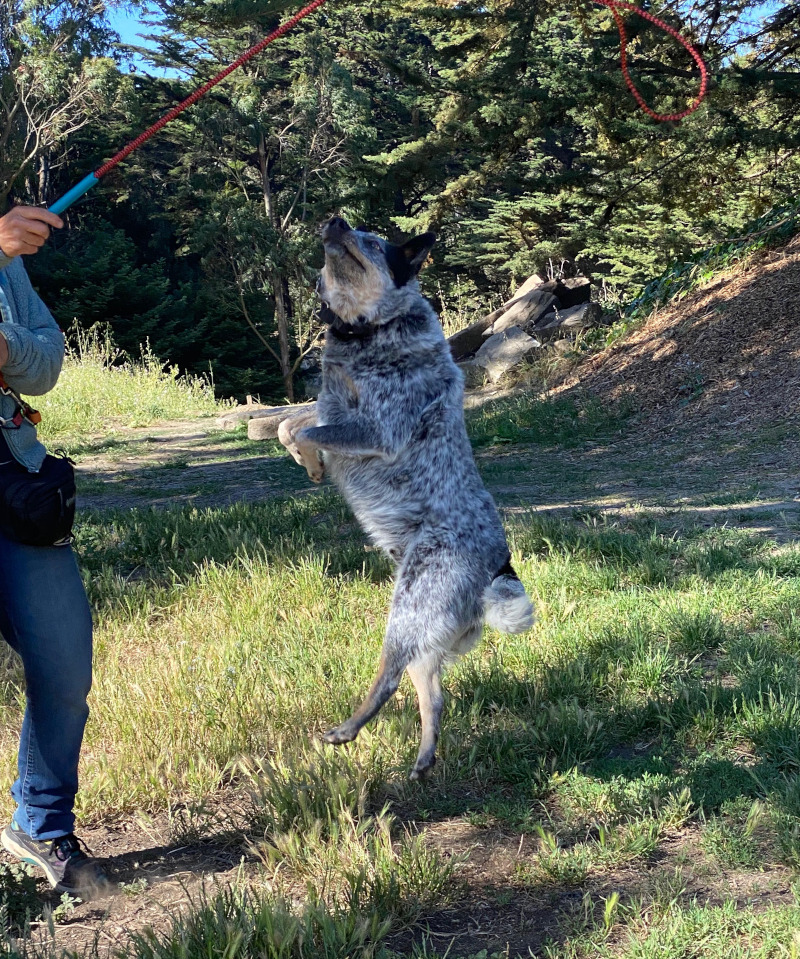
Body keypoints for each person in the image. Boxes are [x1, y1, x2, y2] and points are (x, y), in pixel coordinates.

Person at [0, 205, 107, 896]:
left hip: (15, 481)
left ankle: (40, 821)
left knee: (65, 663)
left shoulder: (7, 264)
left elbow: (48, 360)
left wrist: (6, 352)